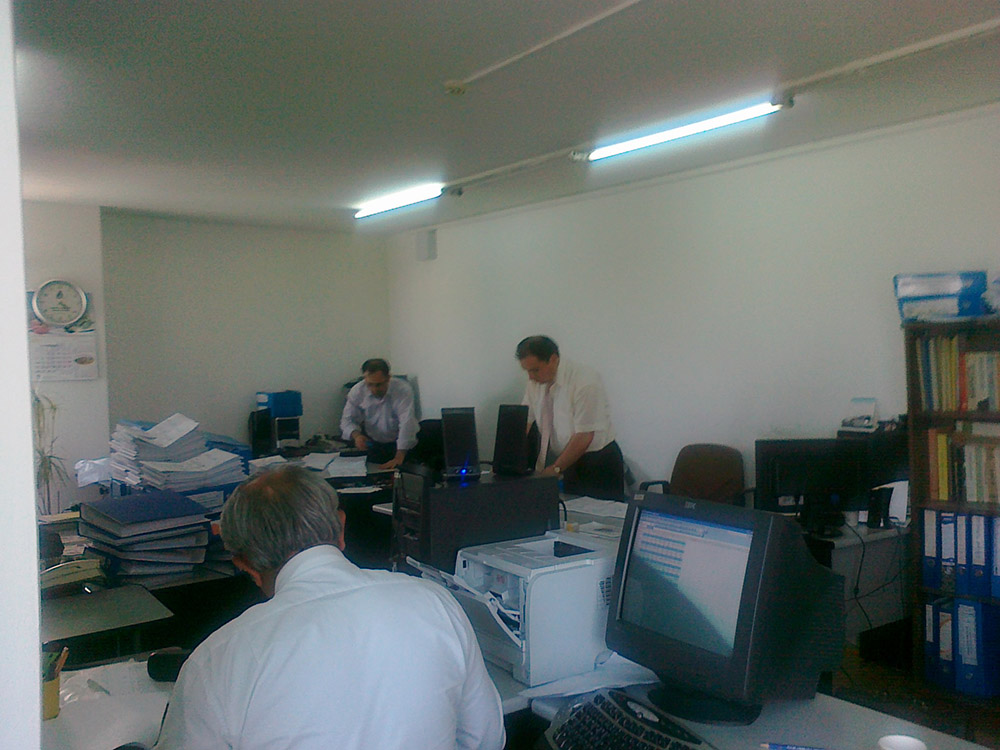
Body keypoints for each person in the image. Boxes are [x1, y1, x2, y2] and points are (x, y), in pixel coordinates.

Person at [155, 466, 505, 750]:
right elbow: (486, 739)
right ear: (341, 527)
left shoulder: (216, 660)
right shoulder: (436, 602)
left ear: (245, 565)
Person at [516, 335, 625, 500]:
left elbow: (584, 436)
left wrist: (556, 469)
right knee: (571, 513)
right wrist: (510, 461)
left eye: (535, 370)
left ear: (553, 359)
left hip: (598, 462)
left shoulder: (585, 381)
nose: (530, 377)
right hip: (569, 461)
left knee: (601, 515)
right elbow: (525, 421)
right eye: (527, 371)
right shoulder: (535, 384)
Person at [340, 358, 419, 470]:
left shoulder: (402, 390)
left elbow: (407, 422)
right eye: (370, 384)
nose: (374, 389)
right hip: (374, 444)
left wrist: (399, 457)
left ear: (388, 378)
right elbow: (347, 420)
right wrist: (357, 436)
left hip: (400, 445)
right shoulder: (357, 391)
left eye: (378, 385)